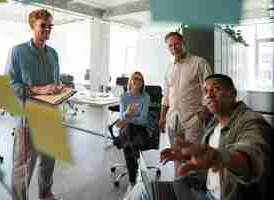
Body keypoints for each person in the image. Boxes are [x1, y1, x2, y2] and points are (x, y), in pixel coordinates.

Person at [126, 74, 270, 200]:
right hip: (202, 189)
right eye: (206, 91)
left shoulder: (252, 121)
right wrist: (183, 156)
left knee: (144, 193)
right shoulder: (214, 123)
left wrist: (220, 157)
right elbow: (205, 161)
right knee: (143, 189)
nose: (209, 95)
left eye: (217, 89)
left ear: (233, 94)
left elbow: (251, 159)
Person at [5, 9, 64, 200]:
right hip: (28, 120)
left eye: (50, 26)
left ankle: (45, 195)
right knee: (23, 167)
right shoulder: (18, 52)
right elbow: (10, 85)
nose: (48, 30)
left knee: (48, 163)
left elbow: (53, 83)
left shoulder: (53, 54)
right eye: (43, 26)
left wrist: (60, 88)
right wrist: (39, 89)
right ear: (32, 27)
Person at [159, 32, 213, 177]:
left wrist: (202, 114)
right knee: (177, 157)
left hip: (193, 120)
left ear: (183, 43)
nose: (174, 47)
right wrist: (162, 117)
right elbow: (166, 95)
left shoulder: (199, 62)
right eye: (170, 45)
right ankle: (179, 188)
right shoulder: (169, 67)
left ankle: (195, 193)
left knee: (194, 160)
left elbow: (210, 90)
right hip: (172, 120)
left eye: (176, 44)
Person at [116, 71, 156, 197]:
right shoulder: (124, 96)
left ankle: (132, 181)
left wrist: (129, 117)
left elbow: (143, 119)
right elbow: (121, 117)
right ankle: (136, 176)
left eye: (140, 79)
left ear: (143, 82)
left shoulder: (146, 96)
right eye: (135, 78)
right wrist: (129, 112)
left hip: (141, 129)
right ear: (131, 81)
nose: (137, 81)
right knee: (128, 131)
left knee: (128, 142)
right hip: (128, 129)